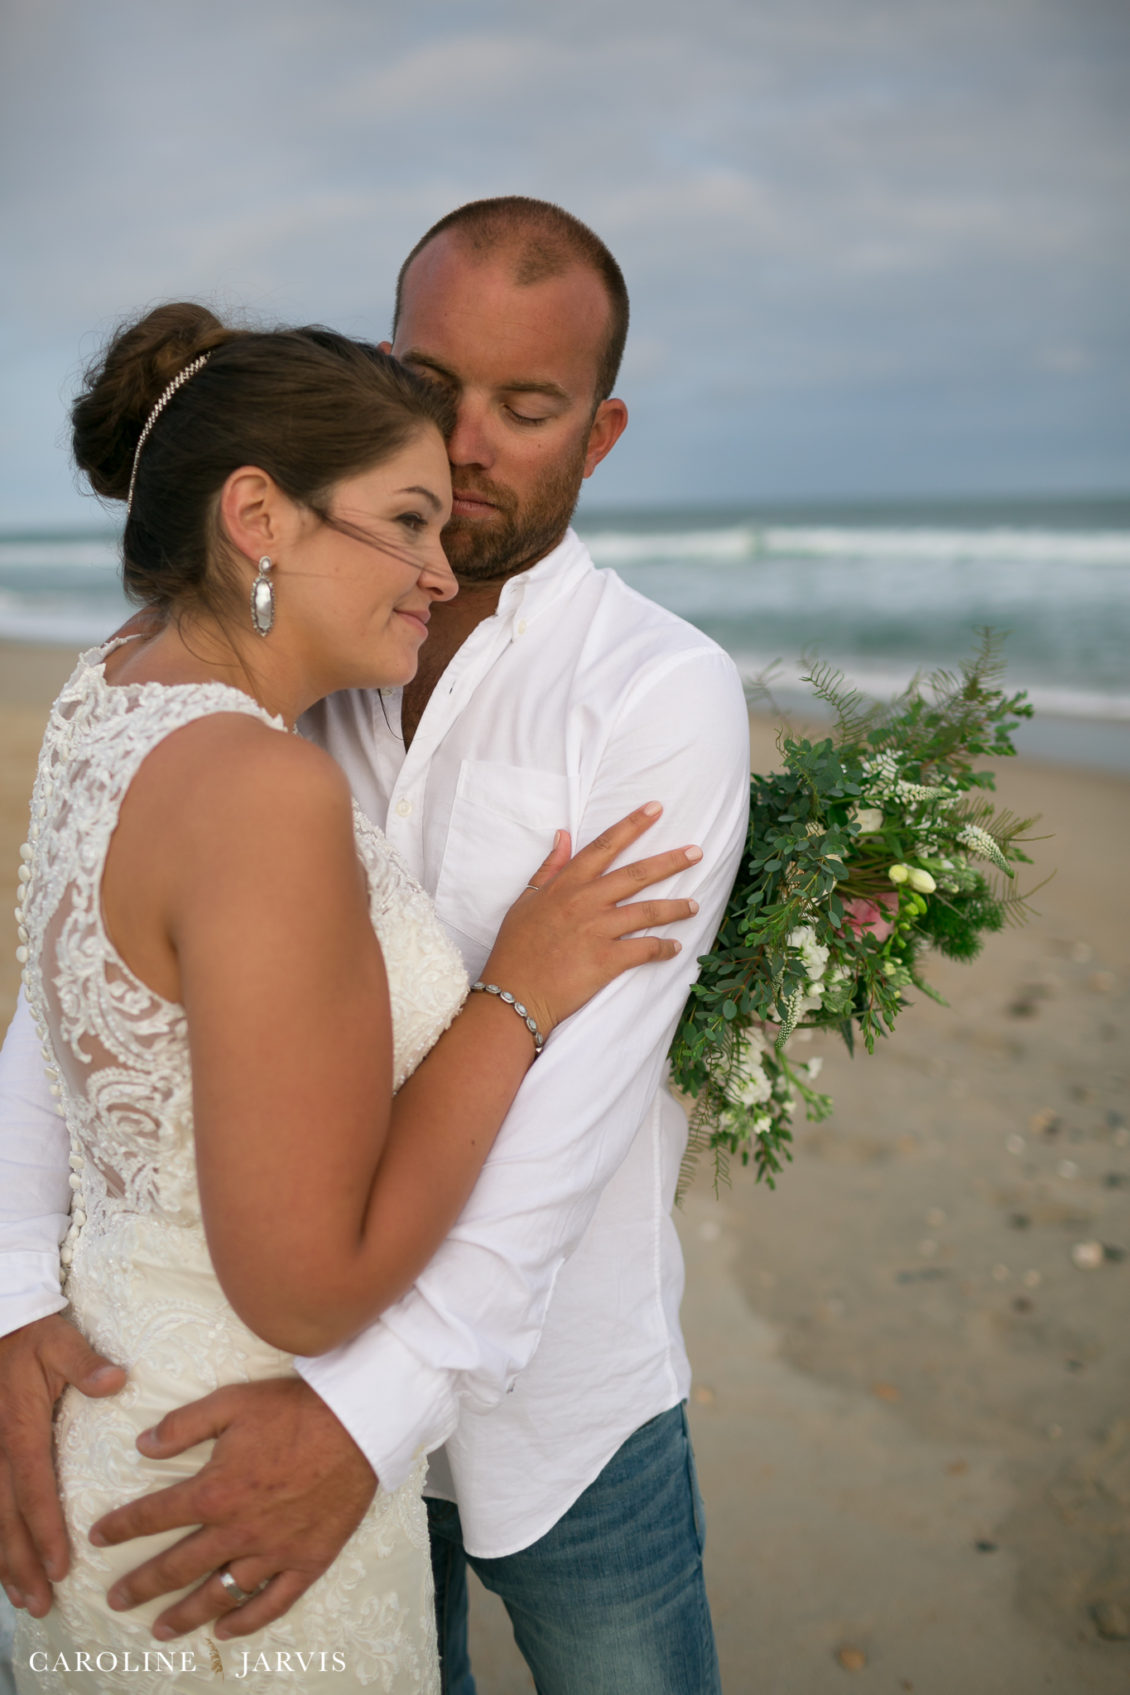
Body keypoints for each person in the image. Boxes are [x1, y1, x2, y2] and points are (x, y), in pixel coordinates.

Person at [0, 199, 751, 1694]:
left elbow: (576, 1110)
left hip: (544, 1404)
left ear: (598, 435)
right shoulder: (289, 649)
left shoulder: (654, 692)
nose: (465, 445)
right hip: (235, 1384)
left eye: (524, 407)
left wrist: (361, 1417)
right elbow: (78, 992)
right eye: (429, 382)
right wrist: (14, 1284)